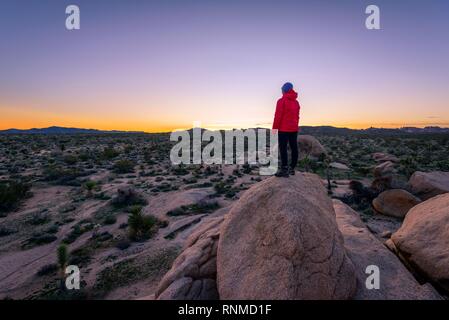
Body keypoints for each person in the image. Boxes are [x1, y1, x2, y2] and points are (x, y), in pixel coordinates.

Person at [272, 82, 300, 177]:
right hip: (294, 129)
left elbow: (278, 116)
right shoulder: (296, 102)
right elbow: (297, 116)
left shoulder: (281, 101)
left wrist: (274, 129)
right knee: (294, 148)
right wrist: (295, 125)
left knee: (283, 148)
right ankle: (292, 168)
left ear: (284, 90)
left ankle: (284, 169)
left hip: (283, 129)